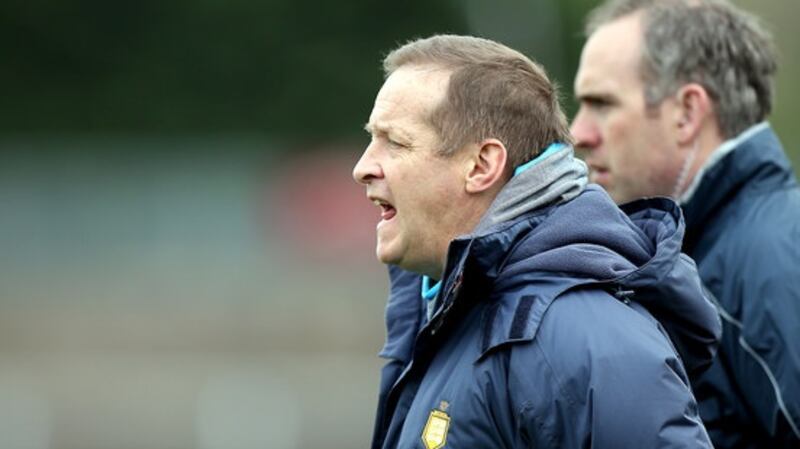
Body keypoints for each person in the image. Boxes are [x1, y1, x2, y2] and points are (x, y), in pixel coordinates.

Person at [353, 34, 720, 449]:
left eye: (396, 142)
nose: (362, 167)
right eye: (371, 138)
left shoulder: (586, 340)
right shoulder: (453, 311)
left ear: (481, 165)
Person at [570, 1, 800, 448]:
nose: (578, 132)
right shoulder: (701, 254)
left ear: (687, 113)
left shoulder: (769, 260)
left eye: (601, 103)